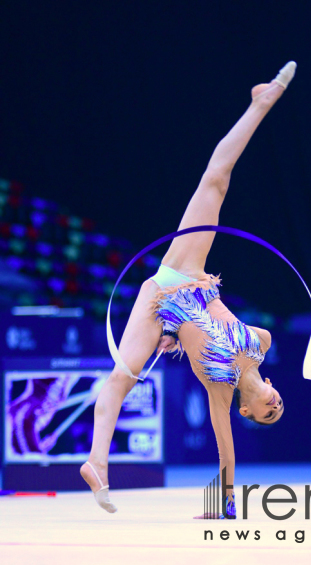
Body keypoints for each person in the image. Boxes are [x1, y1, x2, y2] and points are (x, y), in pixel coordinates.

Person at [80, 62, 296, 516]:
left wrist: (227, 499)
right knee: (216, 181)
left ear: (247, 411)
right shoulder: (262, 342)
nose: (273, 406)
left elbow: (226, 451)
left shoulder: (222, 391)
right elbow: (212, 312)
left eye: (267, 414)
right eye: (278, 407)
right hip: (185, 285)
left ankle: (261, 103)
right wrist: (182, 327)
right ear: (274, 386)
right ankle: (97, 461)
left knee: (122, 375)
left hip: (165, 292)